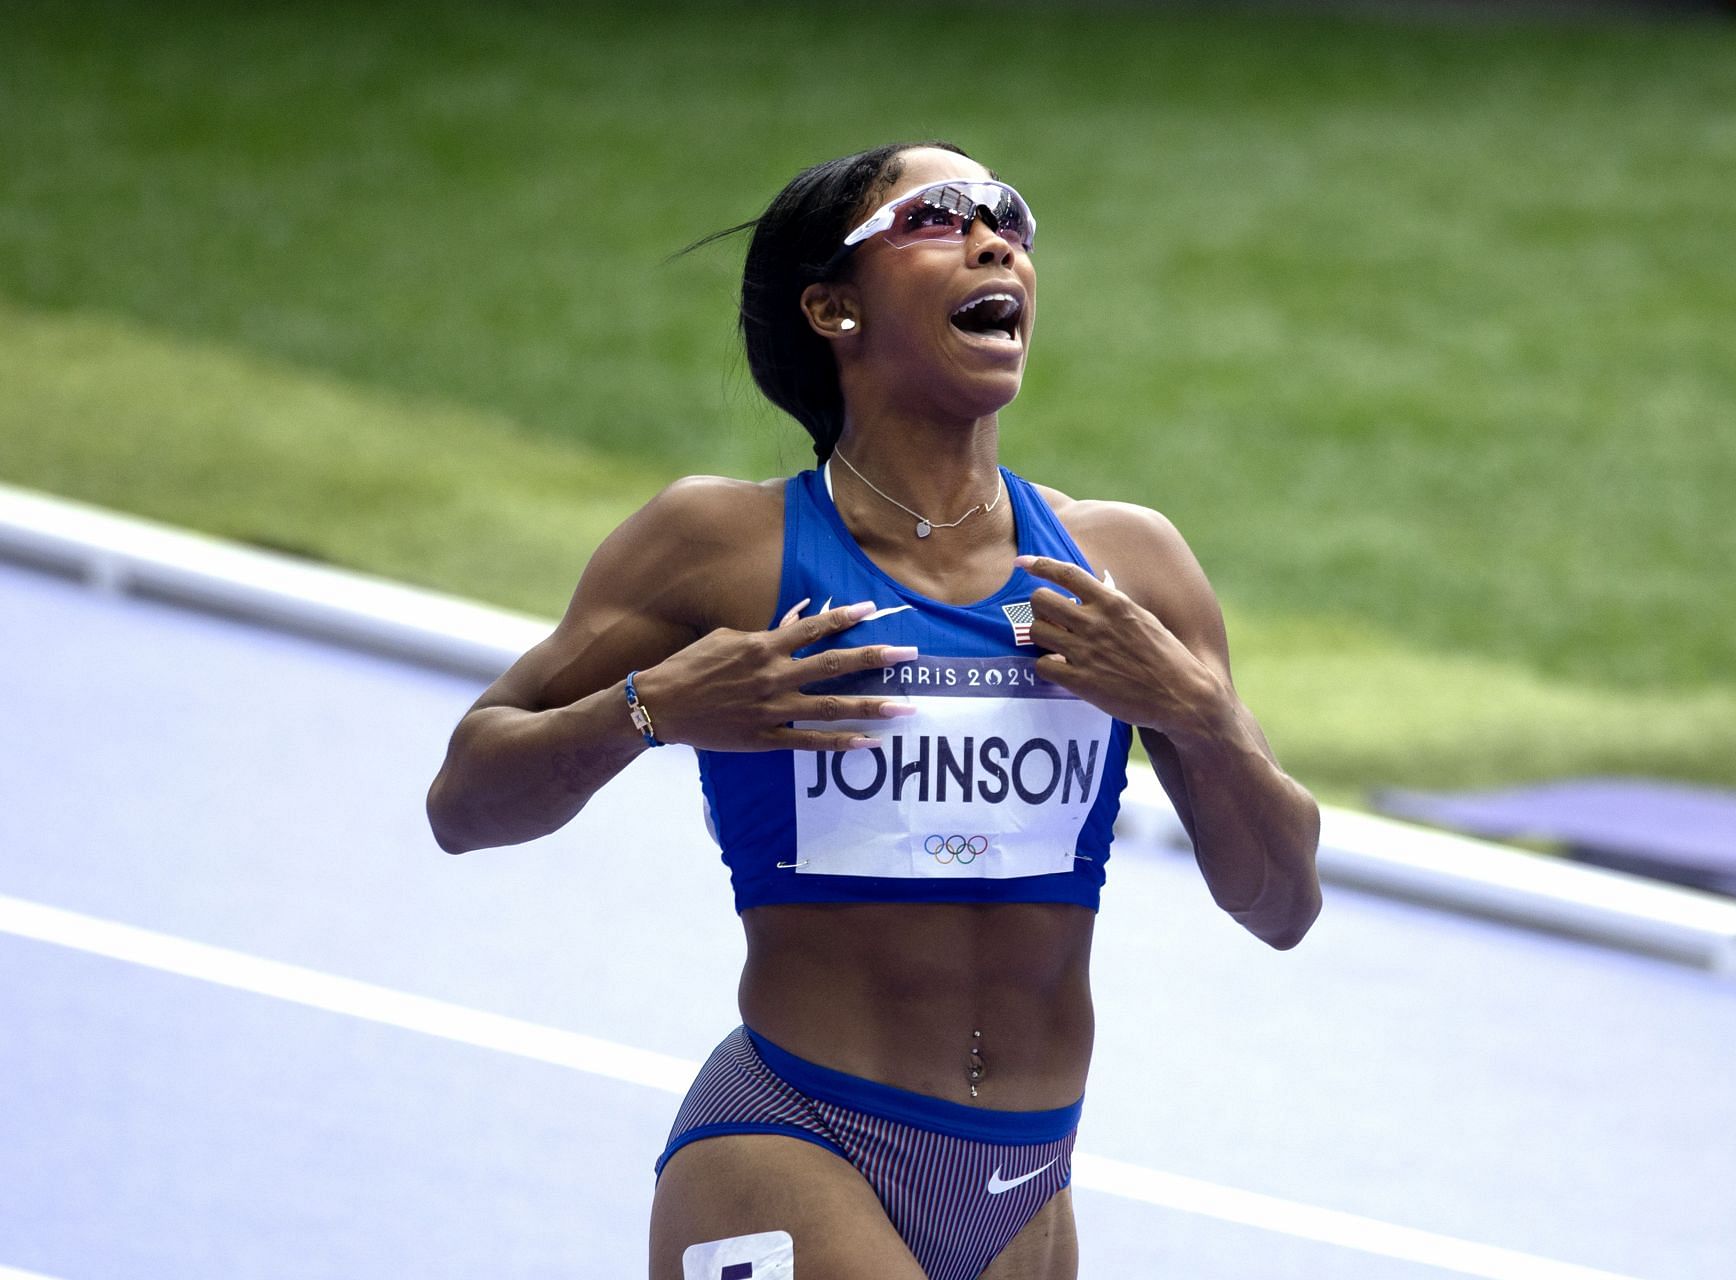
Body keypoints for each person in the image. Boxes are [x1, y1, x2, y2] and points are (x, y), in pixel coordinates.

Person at [425, 140, 1321, 1280]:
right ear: (833, 308)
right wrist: (650, 707)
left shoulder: (1126, 566)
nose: (997, 238)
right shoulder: (722, 545)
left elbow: (1282, 902)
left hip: (1026, 1188)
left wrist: (1194, 708)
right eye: (939, 216)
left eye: (1010, 216)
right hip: (797, 1140)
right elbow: (464, 797)